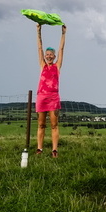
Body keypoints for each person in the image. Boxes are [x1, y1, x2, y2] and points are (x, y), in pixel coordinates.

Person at [35, 23, 66, 158]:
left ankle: (54, 150)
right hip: (41, 97)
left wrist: (63, 33)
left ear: (54, 56)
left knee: (54, 125)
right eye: (47, 54)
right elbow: (39, 47)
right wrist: (39, 30)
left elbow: (61, 49)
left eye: (50, 54)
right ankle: (39, 149)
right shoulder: (42, 65)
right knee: (41, 125)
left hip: (53, 98)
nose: (48, 56)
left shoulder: (57, 66)